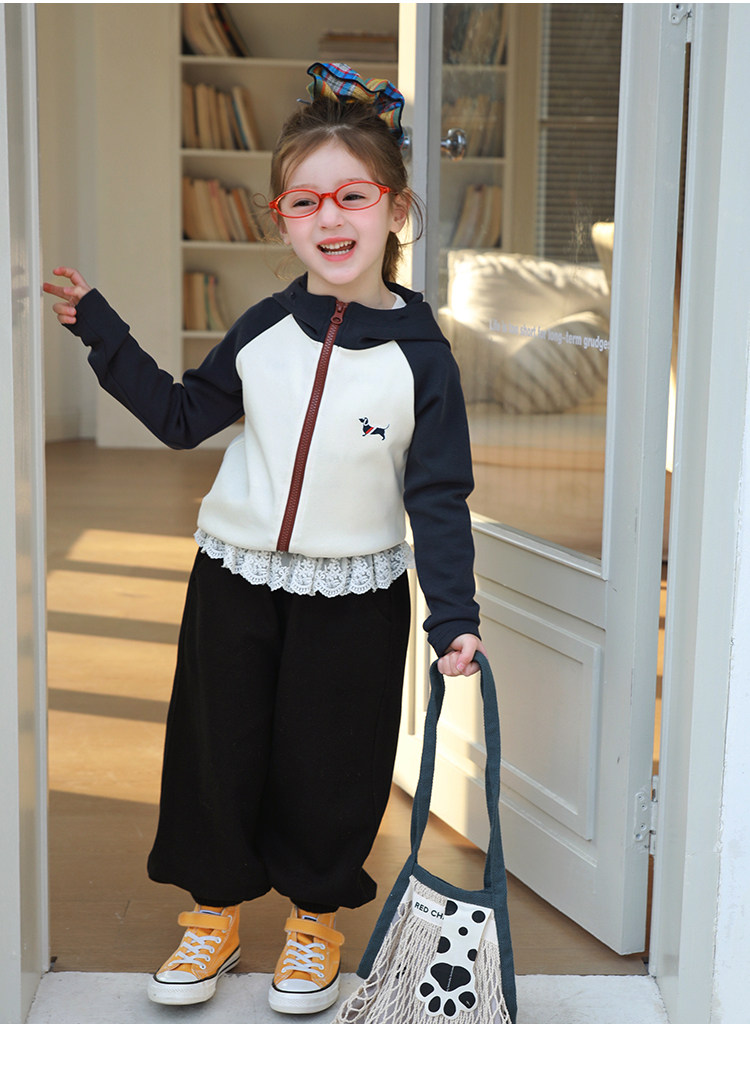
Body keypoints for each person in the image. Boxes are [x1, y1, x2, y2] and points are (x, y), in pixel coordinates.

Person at [43, 62, 485, 1017]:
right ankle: (213, 915)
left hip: (357, 596)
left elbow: (439, 495)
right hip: (235, 579)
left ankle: (315, 922)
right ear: (280, 220)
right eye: (304, 201)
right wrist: (100, 329)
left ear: (395, 209)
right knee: (219, 754)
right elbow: (181, 417)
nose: (330, 218)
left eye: (352, 196)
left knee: (333, 762)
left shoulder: (423, 358)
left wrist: (454, 613)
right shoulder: (262, 328)